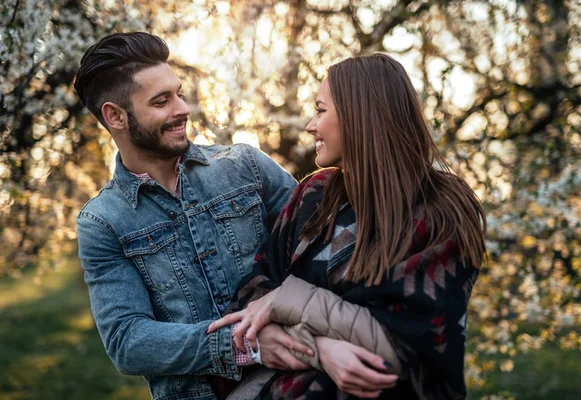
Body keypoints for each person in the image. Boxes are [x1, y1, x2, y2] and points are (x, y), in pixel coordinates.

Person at [207, 53, 487, 399]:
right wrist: (323, 350)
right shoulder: (313, 196)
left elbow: (412, 344)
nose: (311, 125)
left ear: (359, 115)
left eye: (321, 111)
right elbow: (253, 298)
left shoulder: (440, 209)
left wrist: (292, 300)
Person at [74, 32, 315, 400]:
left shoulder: (246, 166)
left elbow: (319, 246)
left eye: (179, 93)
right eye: (161, 101)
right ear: (115, 116)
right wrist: (244, 343)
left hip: (299, 382)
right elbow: (128, 340)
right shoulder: (103, 222)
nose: (182, 109)